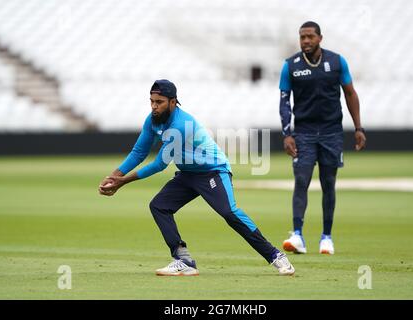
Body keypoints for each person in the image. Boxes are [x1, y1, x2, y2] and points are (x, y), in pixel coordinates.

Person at [99, 79, 295, 276]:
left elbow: (159, 164)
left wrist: (123, 182)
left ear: (173, 102)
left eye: (159, 102)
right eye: (151, 101)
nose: (154, 106)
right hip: (187, 174)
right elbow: (139, 152)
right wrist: (113, 177)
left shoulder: (181, 124)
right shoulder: (152, 120)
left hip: (213, 171)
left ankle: (276, 256)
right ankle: (183, 260)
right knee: (159, 206)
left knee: (229, 212)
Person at [279, 22, 366, 255]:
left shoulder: (337, 62)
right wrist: (287, 133)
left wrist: (358, 127)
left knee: (329, 184)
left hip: (331, 132)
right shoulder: (290, 66)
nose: (305, 41)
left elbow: (350, 93)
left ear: (320, 38)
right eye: (302, 37)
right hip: (304, 133)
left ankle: (326, 237)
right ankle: (297, 235)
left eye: (310, 37)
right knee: (301, 181)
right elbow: (285, 101)